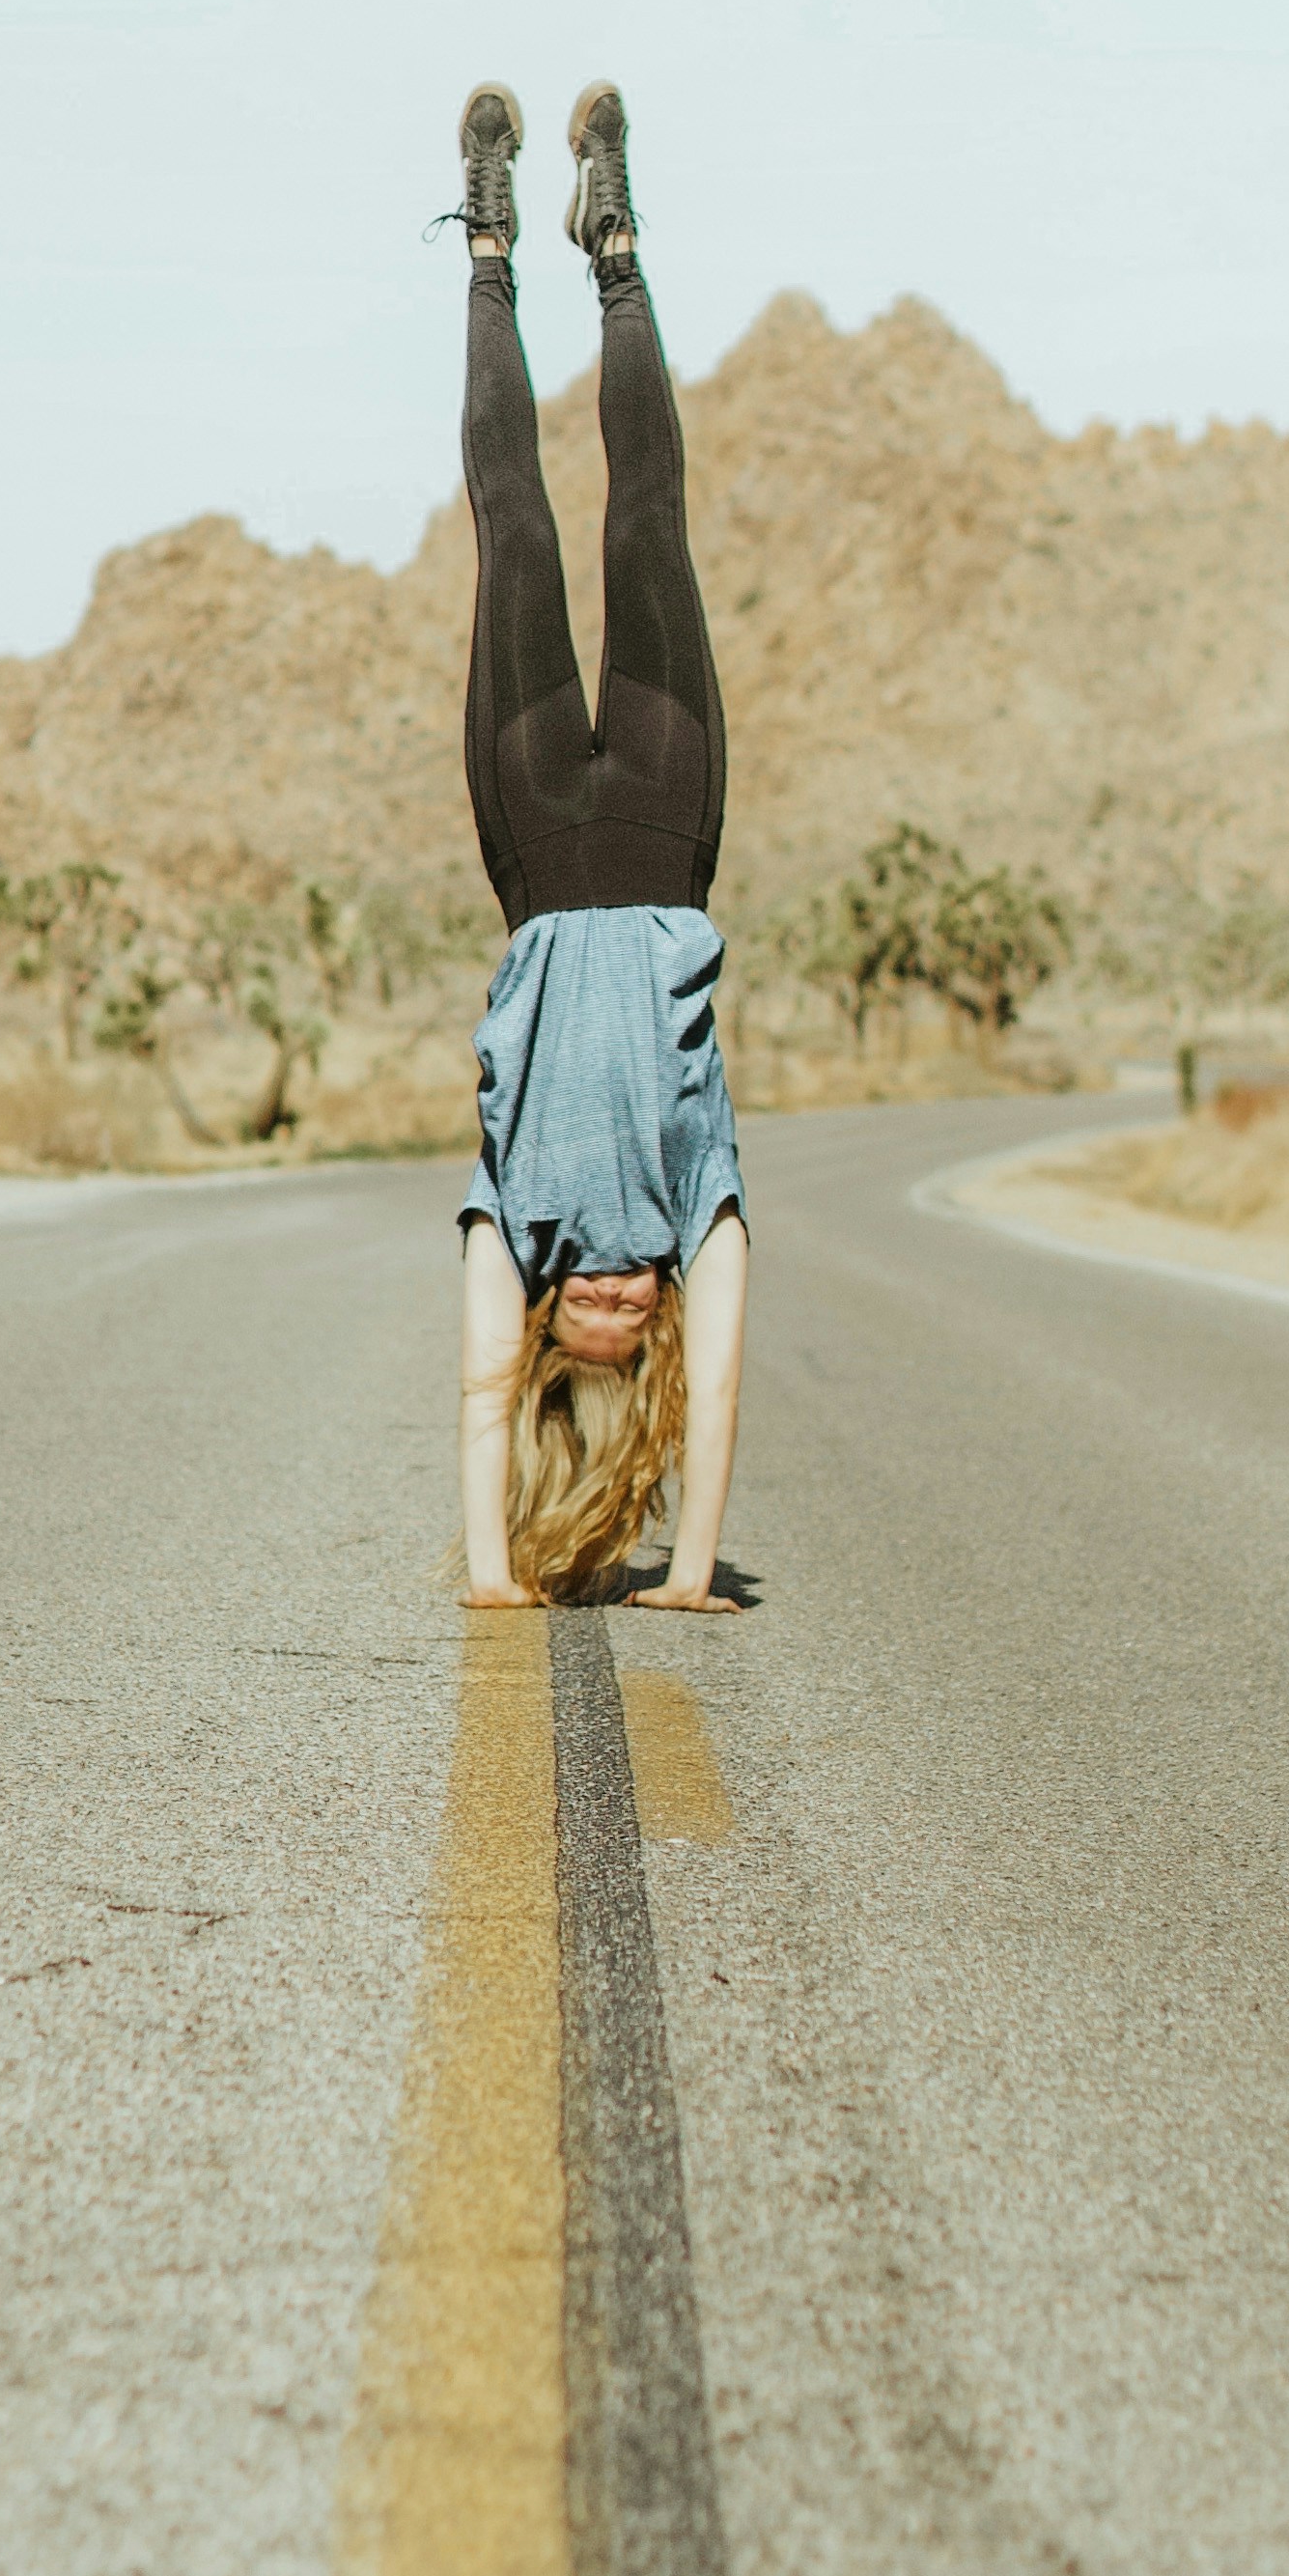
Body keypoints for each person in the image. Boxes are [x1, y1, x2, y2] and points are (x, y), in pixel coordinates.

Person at [451, 80, 749, 1610]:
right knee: (649, 523)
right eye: (640, 1315)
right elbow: (710, 1384)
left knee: (516, 525)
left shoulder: (513, 1224)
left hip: (531, 844)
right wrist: (686, 1568)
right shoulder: (703, 1205)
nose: (622, 1300)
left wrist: (493, 1568)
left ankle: (490, 243)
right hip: (660, 815)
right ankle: (616, 240)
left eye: (597, 1317)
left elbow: (476, 1398)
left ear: (557, 1314)